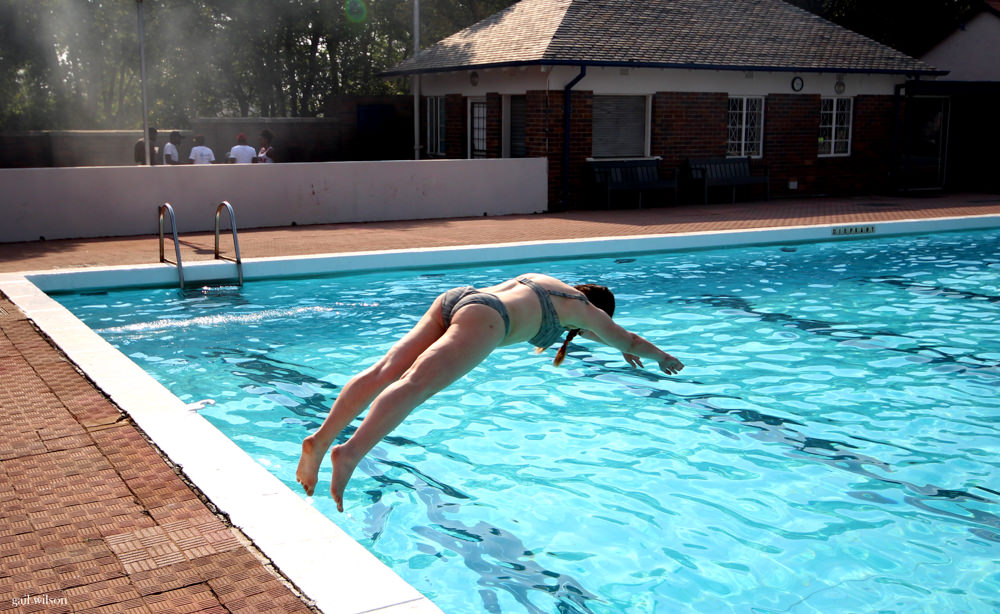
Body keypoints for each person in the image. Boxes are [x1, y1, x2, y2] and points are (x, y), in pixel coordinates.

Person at [296, 273, 684, 512]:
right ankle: (348, 454)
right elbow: (626, 337)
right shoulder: (584, 310)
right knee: (414, 386)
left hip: (457, 299)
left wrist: (621, 348)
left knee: (385, 370)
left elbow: (601, 334)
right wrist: (660, 356)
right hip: (488, 320)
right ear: (599, 312)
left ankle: (321, 437)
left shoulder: (553, 284)